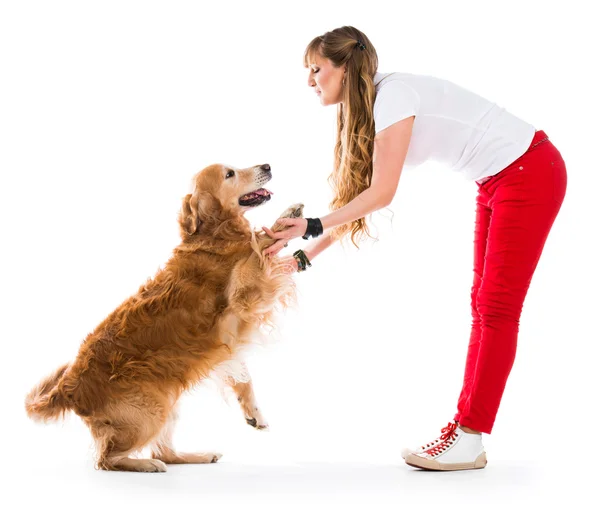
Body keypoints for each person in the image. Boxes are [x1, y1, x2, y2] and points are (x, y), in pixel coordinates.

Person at [261, 26, 567, 471]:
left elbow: (382, 193)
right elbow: (360, 200)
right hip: (497, 179)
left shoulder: (394, 96)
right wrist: (306, 255)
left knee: (497, 307)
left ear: (344, 68)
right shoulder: (369, 108)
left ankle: (471, 435)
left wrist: (309, 226)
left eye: (316, 69)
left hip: (530, 169)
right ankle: (466, 431)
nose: (310, 80)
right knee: (482, 306)